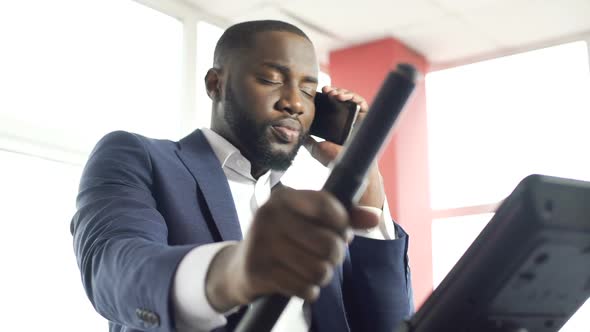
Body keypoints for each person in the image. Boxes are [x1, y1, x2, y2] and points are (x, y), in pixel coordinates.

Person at [71, 20, 413, 332]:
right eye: (270, 79)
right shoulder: (139, 156)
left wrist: (367, 179)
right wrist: (232, 273)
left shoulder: (307, 215)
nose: (294, 103)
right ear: (215, 83)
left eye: (309, 91)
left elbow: (387, 324)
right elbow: (111, 271)